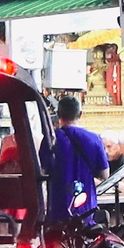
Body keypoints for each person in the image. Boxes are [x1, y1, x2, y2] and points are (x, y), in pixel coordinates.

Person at [44, 94, 108, 222]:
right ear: (80, 114)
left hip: (57, 208)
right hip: (86, 208)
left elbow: (42, 170)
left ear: (58, 114)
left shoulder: (51, 139)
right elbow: (105, 174)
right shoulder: (94, 139)